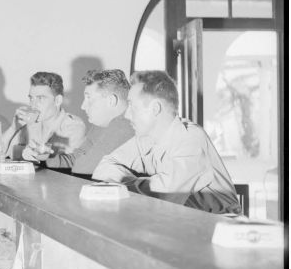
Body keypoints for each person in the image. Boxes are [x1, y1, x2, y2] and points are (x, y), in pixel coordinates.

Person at [92, 70, 241, 214]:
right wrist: (135, 183)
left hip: (218, 229)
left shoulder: (191, 139)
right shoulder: (146, 138)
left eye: (133, 106)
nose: (127, 114)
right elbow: (103, 168)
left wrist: (122, 183)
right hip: (179, 222)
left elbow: (162, 197)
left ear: (155, 109)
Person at [29, 69, 134, 176]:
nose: (83, 106)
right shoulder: (101, 125)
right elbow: (74, 159)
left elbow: (82, 167)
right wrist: (42, 157)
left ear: (111, 100)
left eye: (89, 98)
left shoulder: (125, 125)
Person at [1, 71, 86, 161]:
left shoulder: (74, 126)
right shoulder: (31, 124)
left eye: (40, 98)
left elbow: (66, 164)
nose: (33, 105)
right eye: (31, 98)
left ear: (57, 100)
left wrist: (24, 154)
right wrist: (13, 128)